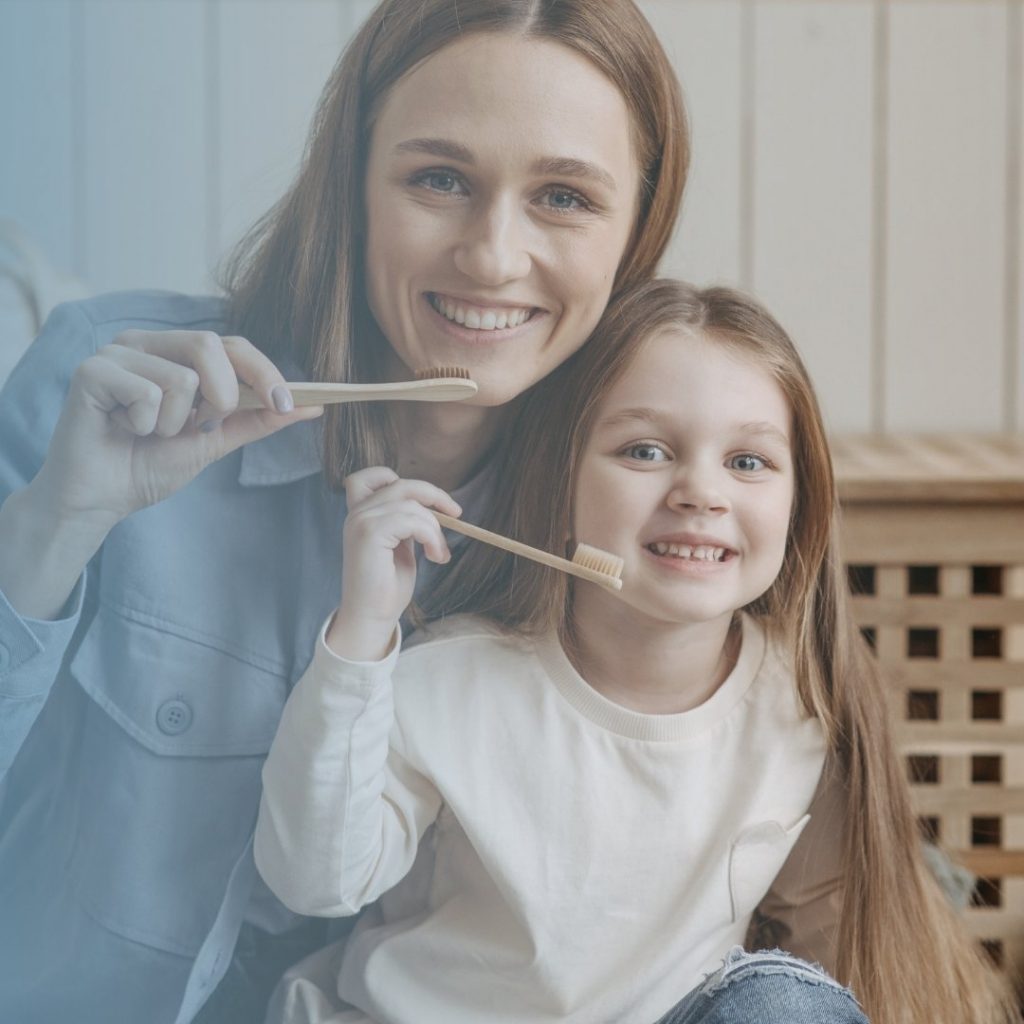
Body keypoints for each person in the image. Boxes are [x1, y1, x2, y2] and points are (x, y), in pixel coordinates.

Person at [0, 3, 688, 1023]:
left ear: (637, 229)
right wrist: (58, 521)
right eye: (438, 179)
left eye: (562, 196)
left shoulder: (627, 525)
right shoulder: (99, 387)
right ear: (352, 185)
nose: (493, 257)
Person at [254, 279, 1017, 1024]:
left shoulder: (798, 707)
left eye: (748, 463)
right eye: (646, 451)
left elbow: (827, 926)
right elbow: (314, 879)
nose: (701, 493)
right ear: (559, 480)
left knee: (788, 1005)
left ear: (798, 506)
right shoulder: (448, 682)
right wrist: (362, 634)